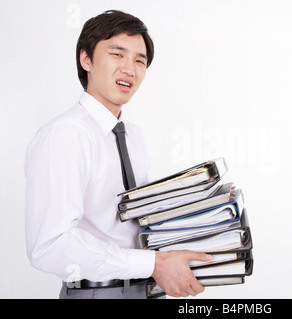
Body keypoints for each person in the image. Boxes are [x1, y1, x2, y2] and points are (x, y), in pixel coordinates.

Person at [24, 10, 211, 299]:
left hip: (144, 289)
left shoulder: (133, 135)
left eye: (140, 60)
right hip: (98, 293)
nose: (130, 69)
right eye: (117, 54)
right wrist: (152, 264)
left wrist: (202, 210)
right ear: (86, 59)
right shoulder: (67, 133)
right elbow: (50, 244)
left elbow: (128, 226)